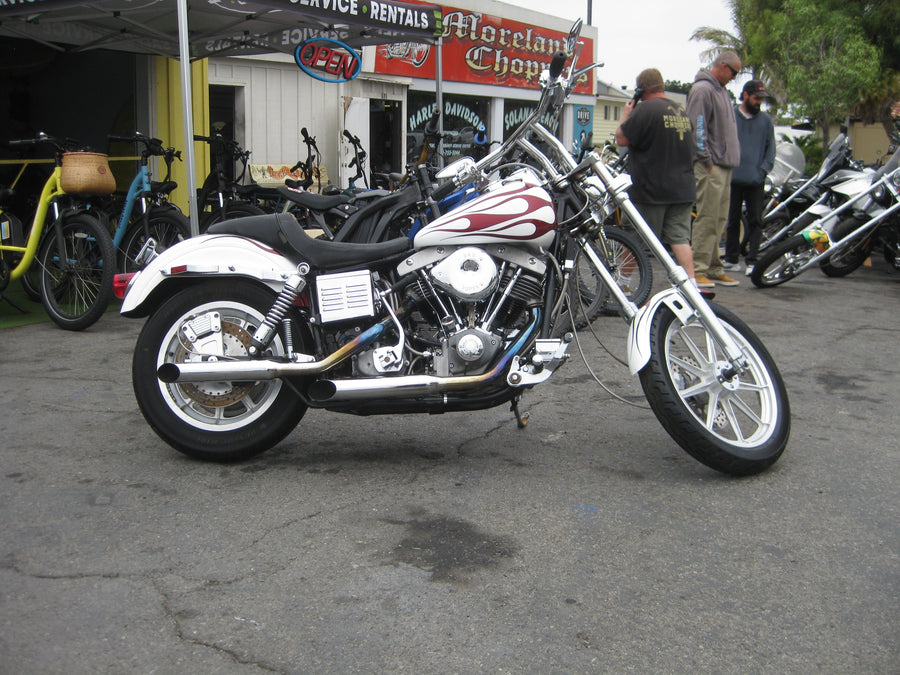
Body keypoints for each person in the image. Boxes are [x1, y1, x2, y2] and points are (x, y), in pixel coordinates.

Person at [615, 68, 707, 293]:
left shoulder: (645, 110)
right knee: (680, 238)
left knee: (635, 238)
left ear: (640, 89)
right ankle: (691, 286)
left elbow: (621, 138)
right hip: (683, 188)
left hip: (652, 189)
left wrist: (627, 114)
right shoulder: (680, 111)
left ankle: (623, 284)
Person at [686, 50, 742, 288]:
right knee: (707, 218)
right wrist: (706, 160)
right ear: (722, 65)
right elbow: (697, 127)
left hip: (724, 165)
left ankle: (714, 267)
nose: (734, 77)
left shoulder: (721, 91)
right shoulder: (703, 90)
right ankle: (697, 268)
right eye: (734, 72)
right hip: (710, 165)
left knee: (719, 219)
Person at [723, 79, 775, 276]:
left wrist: (763, 171)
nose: (759, 102)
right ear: (745, 95)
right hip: (733, 178)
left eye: (761, 99)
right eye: (756, 98)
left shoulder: (766, 120)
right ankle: (730, 258)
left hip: (755, 181)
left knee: (755, 221)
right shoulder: (731, 116)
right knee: (732, 220)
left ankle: (752, 260)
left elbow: (771, 149)